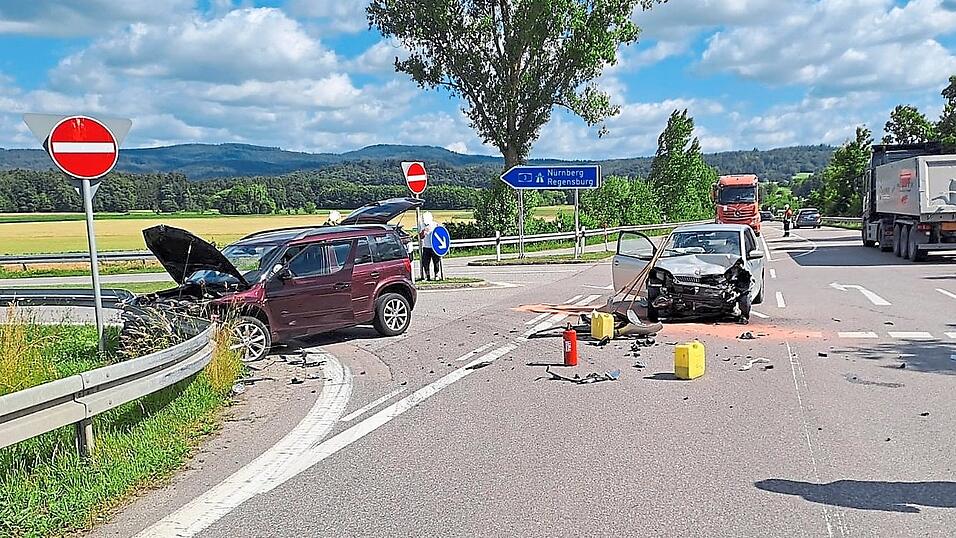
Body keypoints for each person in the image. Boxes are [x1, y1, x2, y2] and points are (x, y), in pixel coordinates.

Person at [419, 212, 441, 280]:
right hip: (426, 247)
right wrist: (423, 231)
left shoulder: (435, 224)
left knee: (436, 261)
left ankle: (436, 275)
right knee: (425, 262)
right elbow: (421, 237)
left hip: (434, 247)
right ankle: (427, 276)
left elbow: (439, 233)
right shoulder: (421, 225)